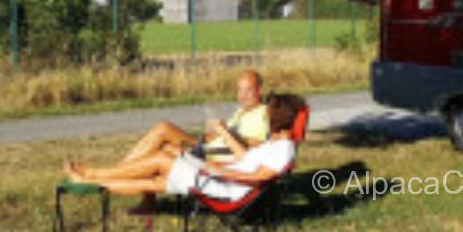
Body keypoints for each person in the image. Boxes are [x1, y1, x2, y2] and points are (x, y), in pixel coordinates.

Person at [64, 94, 304, 202]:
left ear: (279, 118)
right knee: (155, 178)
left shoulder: (284, 150)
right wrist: (222, 137)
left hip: (223, 187)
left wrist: (220, 171)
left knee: (160, 160)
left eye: (270, 113)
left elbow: (259, 177)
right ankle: (89, 180)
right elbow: (246, 159)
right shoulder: (277, 144)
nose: (266, 117)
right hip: (219, 176)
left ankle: (92, 175)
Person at [118, 69, 270, 165]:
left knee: (163, 131)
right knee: (161, 141)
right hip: (206, 146)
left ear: (260, 91)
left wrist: (225, 132)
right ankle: (125, 179)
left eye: (248, 90)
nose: (242, 96)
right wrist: (214, 132)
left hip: (209, 156)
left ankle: (116, 173)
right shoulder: (242, 111)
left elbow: (254, 145)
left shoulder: (262, 114)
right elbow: (227, 137)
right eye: (239, 90)